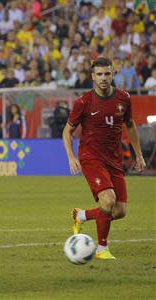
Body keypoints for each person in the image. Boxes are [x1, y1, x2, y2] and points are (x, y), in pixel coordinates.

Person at [63, 57, 145, 260]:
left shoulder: (123, 99)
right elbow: (67, 131)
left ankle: (81, 215)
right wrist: (72, 157)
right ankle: (101, 249)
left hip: (114, 160)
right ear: (92, 77)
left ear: (113, 74)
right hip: (91, 157)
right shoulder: (84, 102)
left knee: (119, 211)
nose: (103, 78)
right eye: (99, 74)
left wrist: (139, 155)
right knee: (108, 200)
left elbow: (131, 126)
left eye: (107, 73)